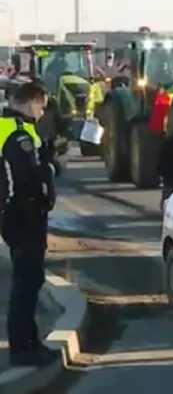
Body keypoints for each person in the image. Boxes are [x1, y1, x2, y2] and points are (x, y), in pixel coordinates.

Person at [0, 81, 60, 367]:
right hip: (23, 215)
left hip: (15, 215)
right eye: (42, 107)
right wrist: (49, 167)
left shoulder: (9, 128)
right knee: (26, 282)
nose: (42, 113)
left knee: (30, 279)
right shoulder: (19, 134)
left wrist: (47, 151)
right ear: (32, 103)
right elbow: (28, 175)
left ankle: (29, 342)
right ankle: (22, 349)